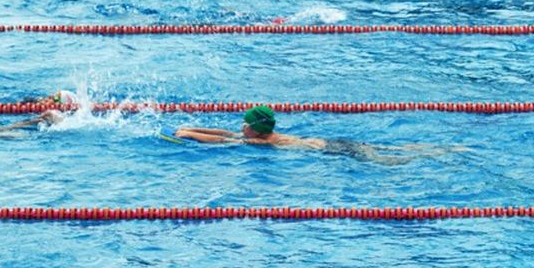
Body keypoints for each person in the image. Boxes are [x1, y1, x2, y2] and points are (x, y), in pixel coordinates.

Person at [173, 105, 463, 165]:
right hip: (331, 143)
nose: (240, 127)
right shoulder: (265, 135)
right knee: (389, 147)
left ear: (253, 129)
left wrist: (190, 135)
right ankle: (440, 149)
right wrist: (191, 128)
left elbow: (223, 140)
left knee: (389, 161)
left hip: (333, 151)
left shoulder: (258, 141)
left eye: (244, 123)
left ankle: (434, 155)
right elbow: (225, 132)